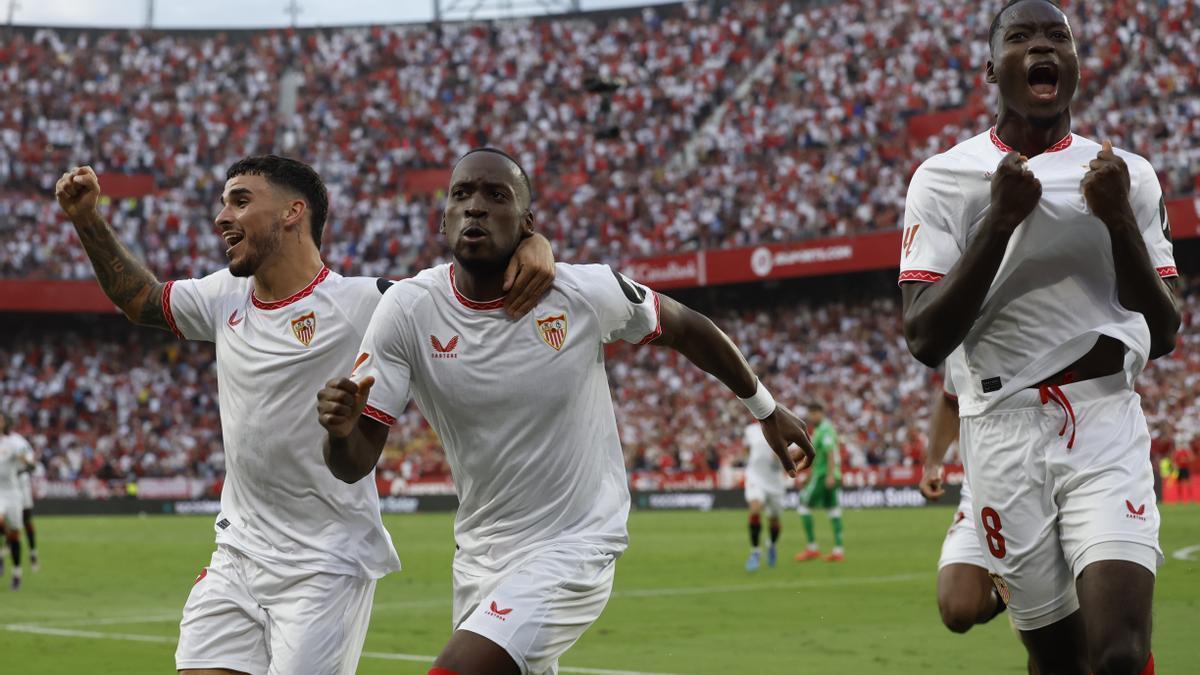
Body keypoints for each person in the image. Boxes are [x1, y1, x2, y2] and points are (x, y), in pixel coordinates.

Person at [316, 147, 814, 675]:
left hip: (574, 543)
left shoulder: (579, 291)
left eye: (496, 195)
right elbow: (353, 462)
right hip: (481, 555)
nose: (476, 207)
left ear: (527, 222)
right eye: (461, 194)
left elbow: (685, 327)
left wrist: (764, 407)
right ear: (443, 220)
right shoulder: (408, 310)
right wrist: (340, 432)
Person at [54, 156, 557, 674]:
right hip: (237, 553)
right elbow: (141, 300)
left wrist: (531, 244)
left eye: (241, 201)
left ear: (294, 212)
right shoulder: (222, 296)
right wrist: (87, 218)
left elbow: (465, 293)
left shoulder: (366, 302)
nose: (221, 217)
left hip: (324, 566)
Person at [899, 1, 1179, 672]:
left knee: (1117, 649)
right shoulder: (943, 178)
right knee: (1056, 658)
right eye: (1020, 37)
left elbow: (1165, 328)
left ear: (1075, 65)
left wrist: (1115, 221)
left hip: (1103, 416)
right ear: (992, 67)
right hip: (1000, 431)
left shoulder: (1126, 175)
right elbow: (923, 335)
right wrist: (999, 223)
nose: (1042, 47)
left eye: (1058, 37)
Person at [795, 402, 843, 562]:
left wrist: (829, 475)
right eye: (810, 413)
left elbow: (830, 453)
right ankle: (838, 551)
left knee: (803, 506)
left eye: (814, 413)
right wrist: (808, 478)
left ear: (821, 413)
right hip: (827, 474)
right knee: (833, 510)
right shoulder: (821, 430)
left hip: (824, 476)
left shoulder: (824, 429)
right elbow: (818, 458)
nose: (812, 416)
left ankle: (812, 548)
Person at [743, 422, 789, 571]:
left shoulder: (784, 429)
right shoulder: (751, 430)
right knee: (755, 509)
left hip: (775, 481)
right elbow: (747, 449)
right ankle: (755, 552)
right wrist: (750, 462)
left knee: (774, 519)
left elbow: (791, 457)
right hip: (755, 477)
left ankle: (771, 545)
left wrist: (780, 456)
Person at [0, 416, 34, 590]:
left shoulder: (12, 442)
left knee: (15, 535)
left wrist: (27, 461)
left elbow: (30, 463)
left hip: (12, 492)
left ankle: (17, 572)